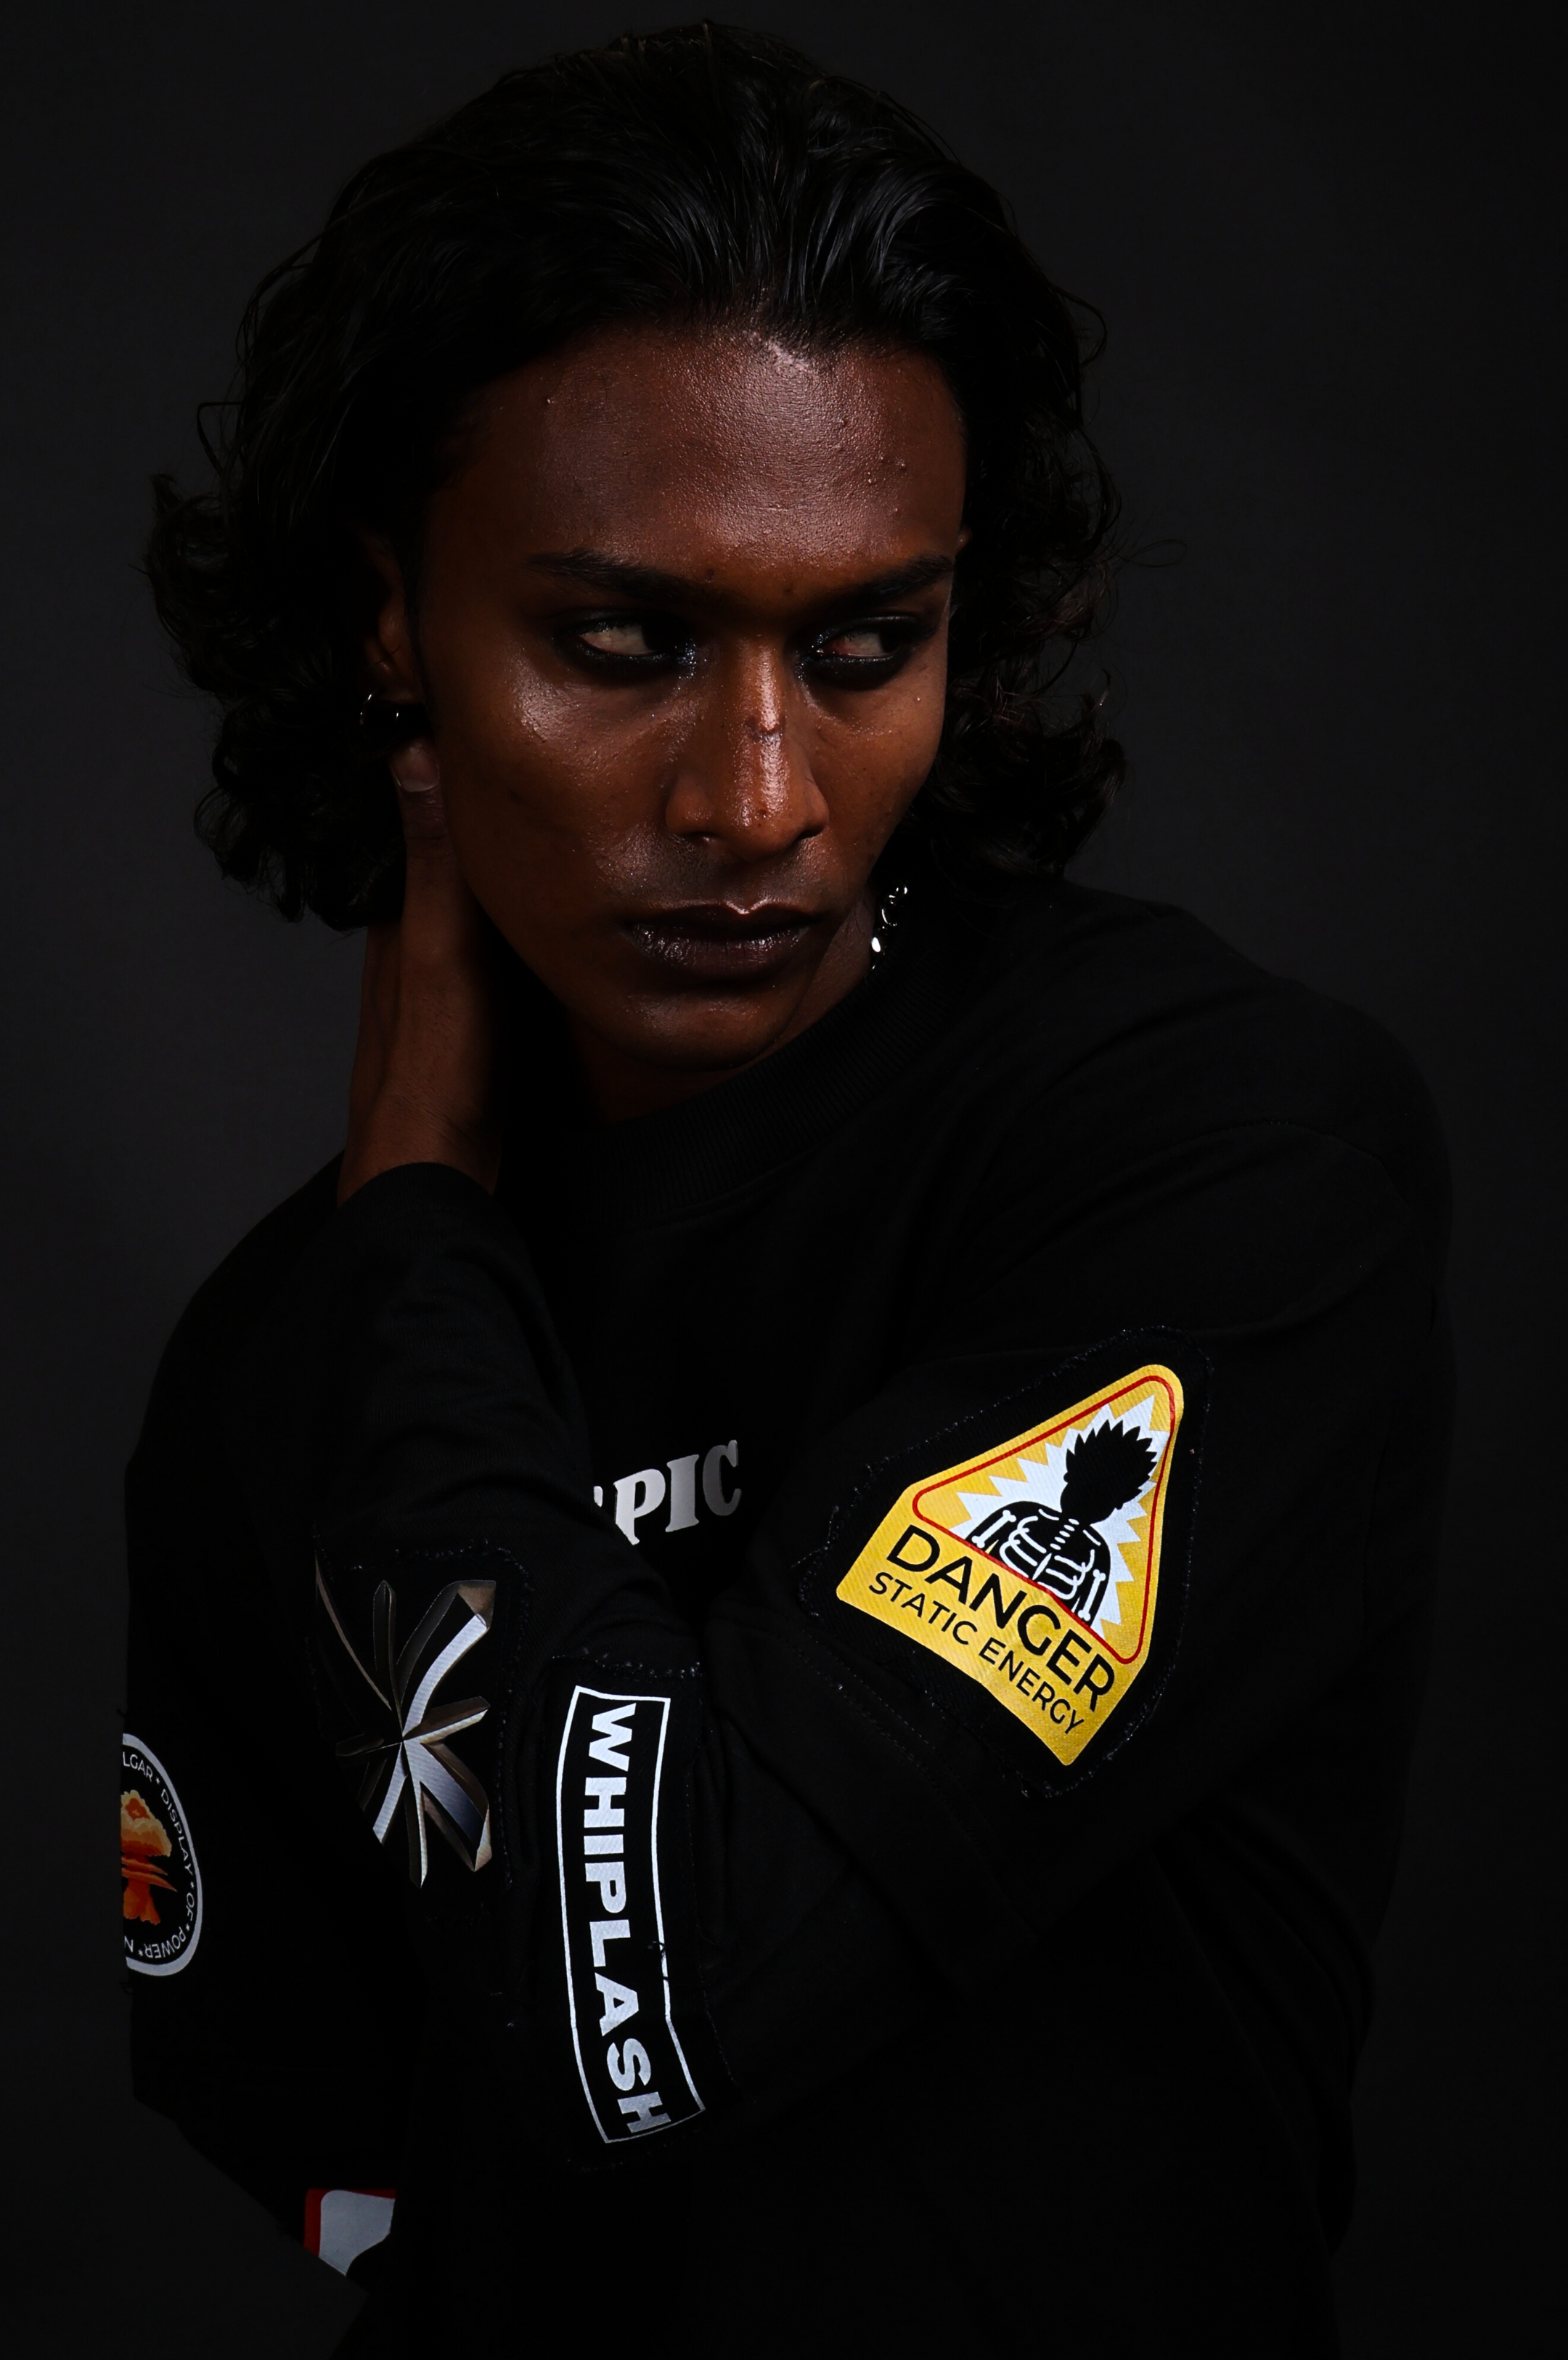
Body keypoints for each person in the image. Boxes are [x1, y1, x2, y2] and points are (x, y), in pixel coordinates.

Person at [124, 23, 1450, 2356]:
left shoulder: (1217, 1153)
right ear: (390, 622)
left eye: (862, 649)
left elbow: (654, 1997)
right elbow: (328, 2156)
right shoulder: (269, 1361)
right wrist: (415, 1254)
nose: (758, 799)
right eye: (622, 641)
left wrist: (412, 1205)